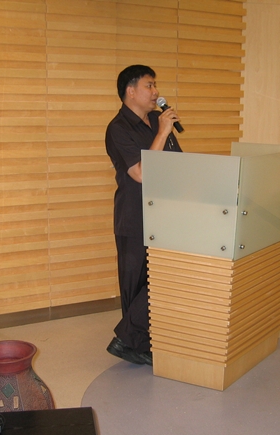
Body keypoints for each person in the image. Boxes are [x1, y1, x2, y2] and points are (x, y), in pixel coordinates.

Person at [105, 65, 182, 366]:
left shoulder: (155, 121)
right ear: (131, 91)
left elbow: (176, 164)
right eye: (149, 85)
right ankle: (131, 344)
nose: (156, 92)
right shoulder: (118, 128)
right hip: (135, 217)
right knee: (135, 285)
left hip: (165, 215)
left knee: (163, 278)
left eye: (155, 85)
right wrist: (162, 132)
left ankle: (131, 340)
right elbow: (140, 173)